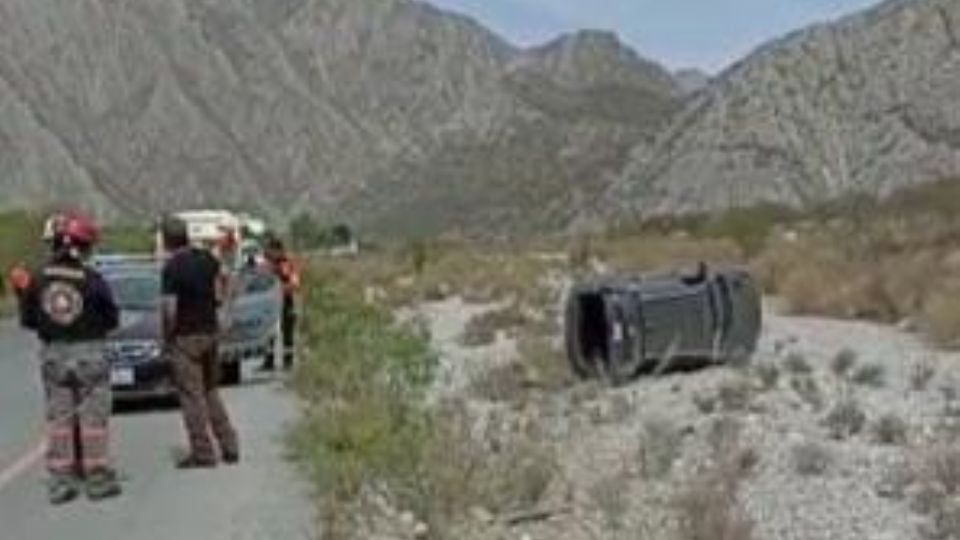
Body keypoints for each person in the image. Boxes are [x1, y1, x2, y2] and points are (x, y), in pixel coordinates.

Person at [18, 212, 121, 504]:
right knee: (93, 420)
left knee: (60, 419)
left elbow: (28, 320)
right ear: (82, 247)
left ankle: (61, 481)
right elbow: (111, 318)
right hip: (90, 353)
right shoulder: (93, 279)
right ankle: (97, 478)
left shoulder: (37, 279)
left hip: (54, 354)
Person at [159, 216, 239, 468]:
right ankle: (229, 444)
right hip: (209, 331)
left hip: (185, 336)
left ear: (168, 240)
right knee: (210, 390)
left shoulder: (172, 268)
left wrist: (167, 336)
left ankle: (203, 452)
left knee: (191, 396)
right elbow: (228, 277)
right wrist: (223, 307)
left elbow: (169, 308)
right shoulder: (207, 259)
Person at [258, 236, 300, 372]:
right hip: (269, 302)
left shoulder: (287, 263)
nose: (268, 253)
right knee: (268, 332)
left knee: (287, 331)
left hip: (286, 300)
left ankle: (288, 361)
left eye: (270, 251)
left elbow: (295, 283)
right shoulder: (265, 264)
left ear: (278, 250)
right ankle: (268, 361)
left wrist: (281, 287)